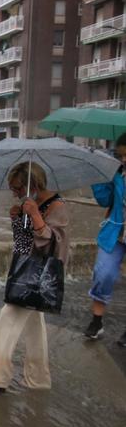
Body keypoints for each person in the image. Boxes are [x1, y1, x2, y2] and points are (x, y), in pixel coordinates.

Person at [0, 161, 69, 392]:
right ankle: (38, 379)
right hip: (23, 268)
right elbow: (23, 241)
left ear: (34, 184)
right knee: (35, 326)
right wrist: (17, 218)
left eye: (18, 188)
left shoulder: (57, 206)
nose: (15, 193)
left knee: (9, 315)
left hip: (38, 274)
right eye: (13, 189)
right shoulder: (30, 203)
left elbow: (55, 243)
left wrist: (36, 216)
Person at [83, 134, 126, 346]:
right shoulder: (117, 173)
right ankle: (97, 321)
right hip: (115, 234)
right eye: (121, 155)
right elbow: (104, 200)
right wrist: (98, 177)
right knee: (103, 273)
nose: (124, 159)